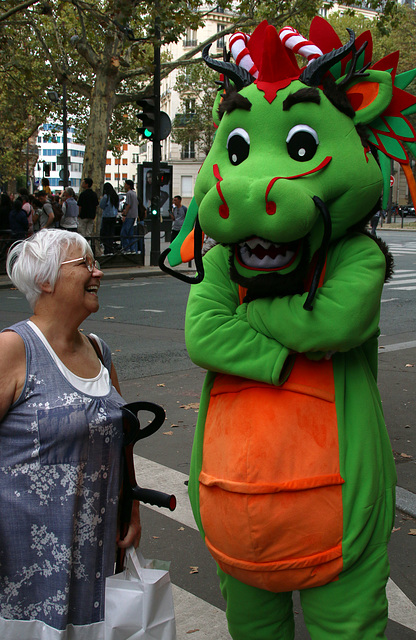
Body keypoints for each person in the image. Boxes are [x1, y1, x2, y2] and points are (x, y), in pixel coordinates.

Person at [0, 229, 141, 638]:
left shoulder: (99, 350)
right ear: (45, 281)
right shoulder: (14, 349)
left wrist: (130, 508)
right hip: (22, 550)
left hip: (93, 543)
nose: (98, 272)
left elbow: (122, 436)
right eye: (85, 264)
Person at [99, 182, 119, 254]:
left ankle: (107, 249)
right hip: (113, 217)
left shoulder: (106, 196)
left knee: (105, 233)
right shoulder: (115, 196)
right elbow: (117, 206)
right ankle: (110, 247)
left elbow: (101, 205)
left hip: (106, 216)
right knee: (111, 233)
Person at [120, 179, 138, 253]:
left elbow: (128, 205)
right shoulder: (134, 193)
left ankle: (126, 248)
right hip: (134, 214)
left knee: (124, 232)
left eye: (125, 184)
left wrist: (125, 214)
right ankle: (132, 249)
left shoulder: (129, 194)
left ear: (128, 185)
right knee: (130, 232)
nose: (124, 186)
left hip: (129, 215)